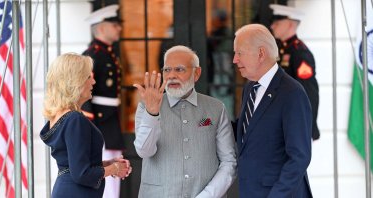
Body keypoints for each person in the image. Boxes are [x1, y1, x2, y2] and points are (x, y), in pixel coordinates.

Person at [133, 45, 237, 198]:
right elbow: (144, 151)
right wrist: (152, 113)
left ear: (197, 73)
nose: (171, 76)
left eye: (179, 69)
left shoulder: (216, 108)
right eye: (167, 70)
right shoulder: (145, 107)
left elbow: (228, 162)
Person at [233, 24, 312, 197]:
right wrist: (209, 122)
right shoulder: (250, 87)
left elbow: (299, 158)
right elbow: (248, 129)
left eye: (239, 53)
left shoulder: (292, 93)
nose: (235, 60)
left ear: (261, 53)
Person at [40, 53, 132, 198]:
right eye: (89, 77)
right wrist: (114, 168)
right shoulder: (74, 119)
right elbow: (82, 173)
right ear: (75, 81)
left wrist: (108, 163)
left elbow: (74, 165)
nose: (93, 82)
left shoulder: (61, 116)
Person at [82, 4, 125, 197]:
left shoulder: (107, 53)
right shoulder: (92, 55)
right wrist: (89, 125)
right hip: (98, 122)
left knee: (115, 169)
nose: (119, 28)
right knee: (106, 170)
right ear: (101, 27)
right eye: (114, 25)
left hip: (110, 120)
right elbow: (81, 92)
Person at [270, 4, 320, 140]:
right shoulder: (281, 49)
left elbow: (308, 93)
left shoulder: (300, 53)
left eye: (277, 22)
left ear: (290, 24)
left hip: (295, 124)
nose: (273, 26)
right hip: (282, 121)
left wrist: (307, 128)